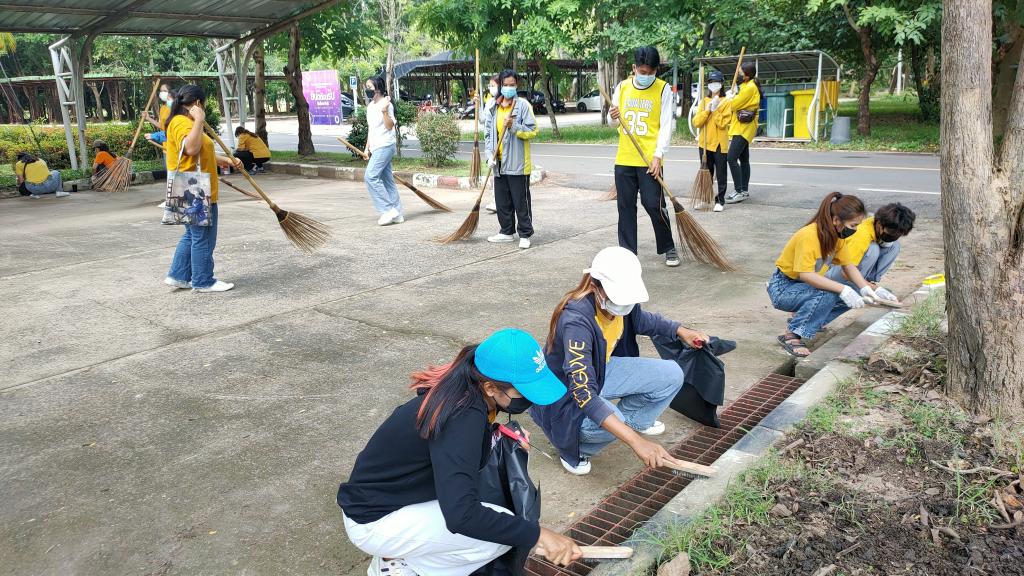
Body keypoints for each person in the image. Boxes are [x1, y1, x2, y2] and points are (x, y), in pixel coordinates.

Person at [337, 328, 582, 576]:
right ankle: (398, 566)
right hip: (375, 520)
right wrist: (538, 535)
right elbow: (461, 515)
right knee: (497, 537)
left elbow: (455, 444)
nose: (530, 399)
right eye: (523, 392)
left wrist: (497, 434)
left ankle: (405, 555)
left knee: (498, 520)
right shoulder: (462, 416)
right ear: (490, 387)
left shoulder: (465, 383)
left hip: (395, 498)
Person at [530, 246, 710, 476]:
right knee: (613, 419)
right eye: (618, 299)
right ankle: (575, 448)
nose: (623, 308)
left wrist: (681, 331)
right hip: (566, 391)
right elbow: (583, 392)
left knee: (672, 374)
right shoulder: (576, 321)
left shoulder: (622, 305)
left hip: (601, 370)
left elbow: (644, 320)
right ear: (594, 287)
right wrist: (636, 442)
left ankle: (630, 424)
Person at [767, 192, 884, 358]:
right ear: (836, 220)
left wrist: (865, 288)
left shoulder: (837, 236)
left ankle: (808, 321)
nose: (855, 230)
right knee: (831, 293)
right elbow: (806, 275)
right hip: (783, 287)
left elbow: (848, 266)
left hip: (803, 287)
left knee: (855, 292)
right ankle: (792, 334)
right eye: (853, 225)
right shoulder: (809, 235)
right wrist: (843, 289)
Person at [163, 84, 243, 293]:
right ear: (198, 103)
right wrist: (199, 119)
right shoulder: (182, 122)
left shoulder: (184, 122)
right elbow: (191, 148)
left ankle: (178, 275)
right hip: (195, 188)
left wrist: (227, 160)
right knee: (203, 238)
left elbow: (200, 151)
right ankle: (203, 281)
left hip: (190, 186)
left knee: (192, 235)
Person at [610, 46, 680, 267]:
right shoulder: (622, 87)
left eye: (651, 72)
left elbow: (666, 125)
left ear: (656, 70)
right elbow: (613, 122)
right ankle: (627, 253)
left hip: (650, 160)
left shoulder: (663, 89)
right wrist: (613, 116)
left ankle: (668, 246)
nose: (646, 76)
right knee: (625, 207)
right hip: (624, 159)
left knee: (653, 204)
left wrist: (658, 156)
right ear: (634, 68)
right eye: (642, 72)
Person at [484, 69, 539, 249]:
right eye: (505, 85)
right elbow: (488, 134)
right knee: (502, 201)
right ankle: (506, 231)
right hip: (498, 162)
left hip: (518, 163)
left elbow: (532, 131)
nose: (508, 88)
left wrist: (513, 126)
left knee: (520, 201)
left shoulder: (522, 105)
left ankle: (525, 233)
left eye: (512, 85)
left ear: (517, 85)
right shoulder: (493, 107)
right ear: (500, 85)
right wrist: (489, 156)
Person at [825, 202, 916, 301]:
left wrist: (873, 287)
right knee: (873, 248)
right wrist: (875, 289)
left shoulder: (877, 224)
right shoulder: (861, 236)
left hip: (852, 273)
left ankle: (867, 283)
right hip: (832, 274)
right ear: (879, 224)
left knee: (894, 246)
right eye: (890, 232)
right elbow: (845, 271)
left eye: (898, 234)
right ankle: (858, 286)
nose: (893, 236)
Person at [363, 76, 403, 226]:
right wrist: (367, 149)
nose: (367, 90)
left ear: (378, 88)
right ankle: (397, 213)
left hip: (385, 146)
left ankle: (388, 210)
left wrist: (385, 111)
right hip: (376, 147)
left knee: (370, 176)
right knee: (387, 181)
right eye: (366, 87)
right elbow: (371, 129)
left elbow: (389, 126)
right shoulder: (370, 106)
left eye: (369, 87)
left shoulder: (387, 104)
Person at [691, 70, 732, 212]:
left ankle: (720, 201)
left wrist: (715, 110)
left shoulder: (726, 102)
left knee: (721, 173)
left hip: (719, 144)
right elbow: (697, 122)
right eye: (711, 82)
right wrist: (707, 110)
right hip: (704, 143)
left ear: (721, 84)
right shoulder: (704, 101)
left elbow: (723, 124)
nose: (714, 84)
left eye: (717, 82)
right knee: (706, 173)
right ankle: (705, 199)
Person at [724, 61, 762, 205]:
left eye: (740, 73)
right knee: (744, 160)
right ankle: (744, 190)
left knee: (731, 158)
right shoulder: (747, 85)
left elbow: (733, 105)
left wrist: (730, 97)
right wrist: (735, 91)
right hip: (744, 127)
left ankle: (739, 191)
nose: (738, 74)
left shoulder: (749, 88)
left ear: (747, 75)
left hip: (743, 128)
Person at [480, 75, 500, 215]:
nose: (490, 88)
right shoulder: (490, 102)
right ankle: (496, 201)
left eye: (493, 85)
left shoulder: (504, 103)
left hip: (502, 144)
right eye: (490, 85)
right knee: (495, 173)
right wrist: (477, 105)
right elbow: (483, 121)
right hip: (492, 145)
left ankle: (500, 202)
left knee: (502, 175)